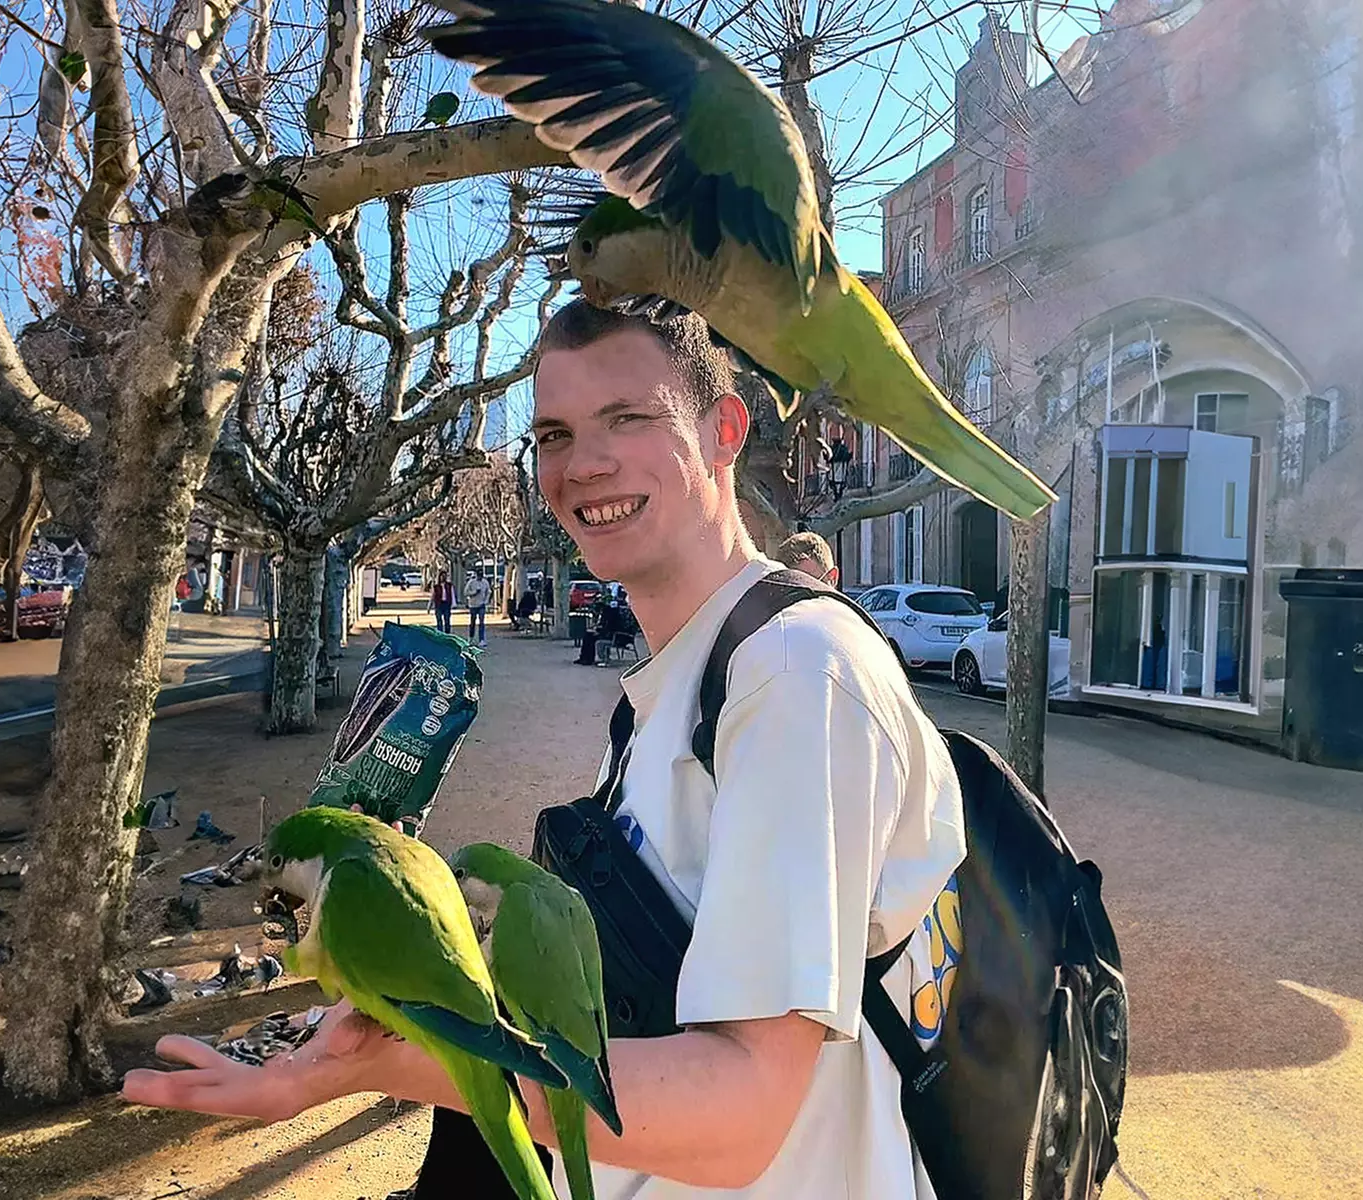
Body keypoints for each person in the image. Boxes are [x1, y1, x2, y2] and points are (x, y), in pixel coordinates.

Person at [124, 300, 964, 1200]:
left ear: (724, 430)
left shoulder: (794, 677)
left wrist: (364, 1072)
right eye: (554, 435)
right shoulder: (678, 685)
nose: (583, 465)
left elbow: (745, 1115)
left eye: (628, 418)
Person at [463, 570, 493, 645]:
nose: (480, 577)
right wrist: (474, 592)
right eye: (479, 575)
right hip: (473, 605)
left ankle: (481, 639)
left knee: (481, 622)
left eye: (481, 575)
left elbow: (488, 592)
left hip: (481, 605)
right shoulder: (471, 582)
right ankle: (471, 637)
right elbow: (465, 592)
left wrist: (486, 601)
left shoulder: (485, 582)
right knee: (472, 622)